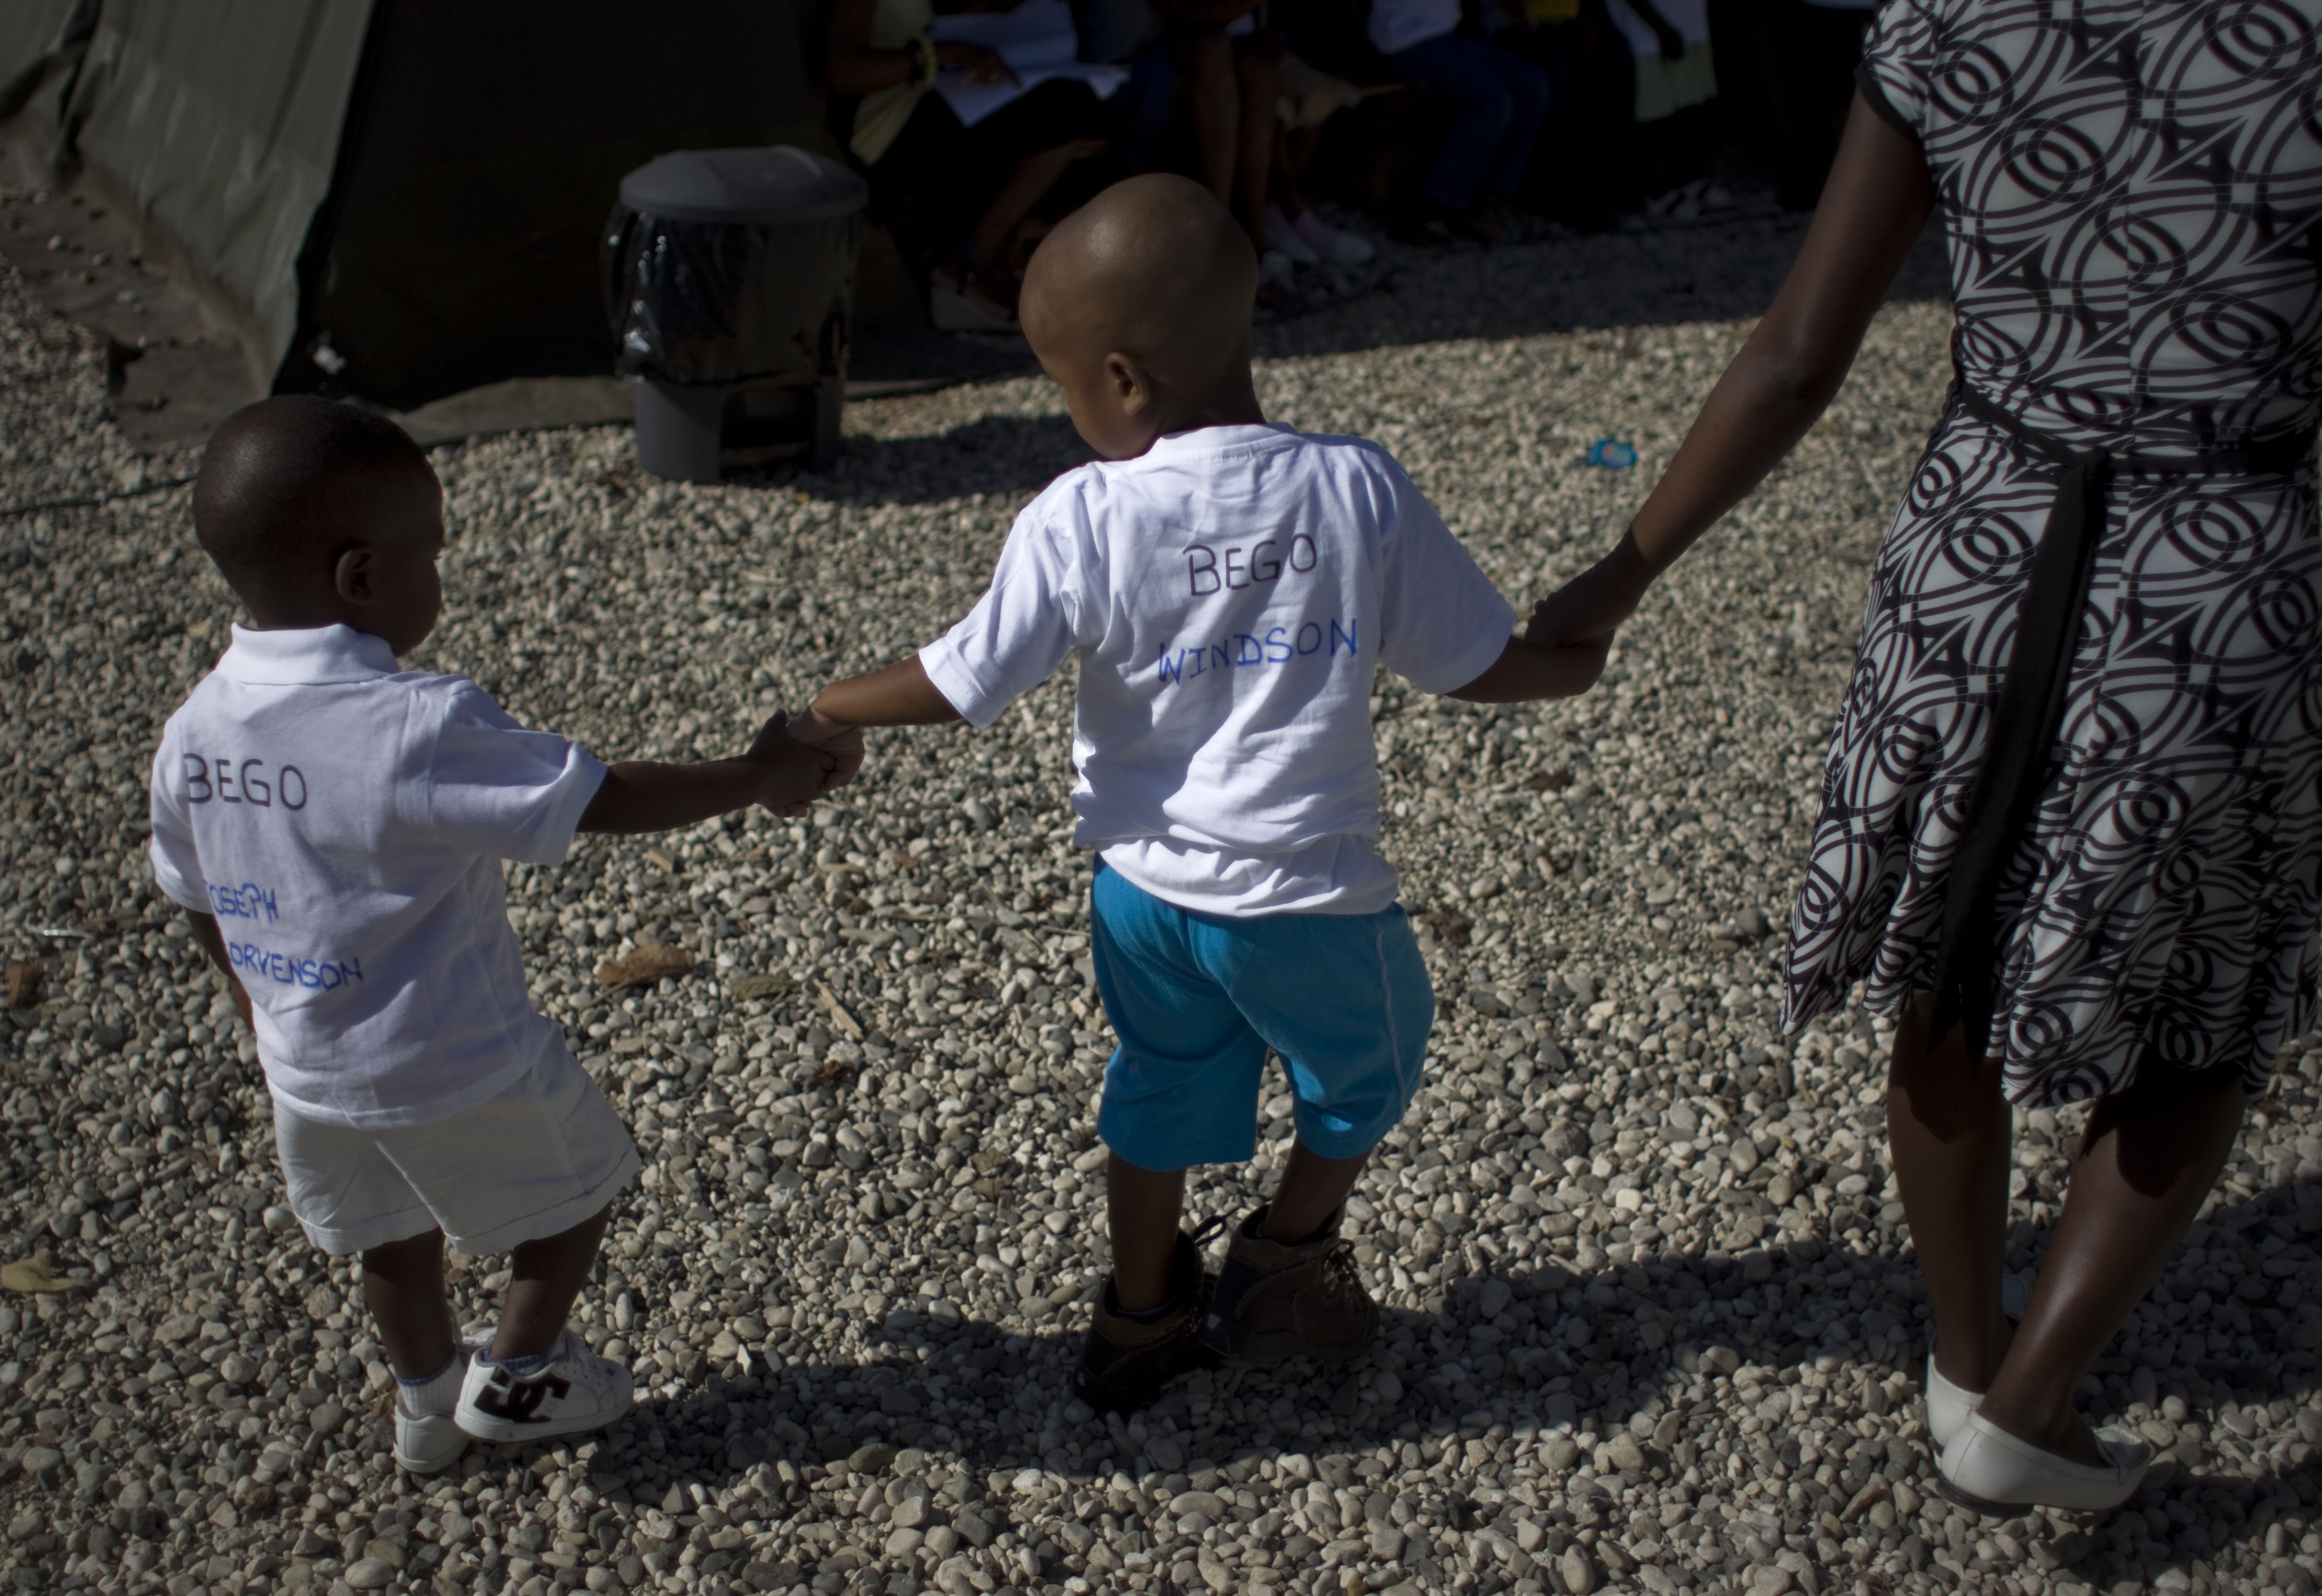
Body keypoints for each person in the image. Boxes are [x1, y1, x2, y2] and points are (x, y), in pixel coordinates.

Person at [1526, 1, 2322, 1515]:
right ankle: (2029, 1400)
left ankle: (1966, 1357)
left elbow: (1790, 355)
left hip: (1978, 548)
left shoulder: (1947, 19)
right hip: (2212, 570)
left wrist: (1618, 575)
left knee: (1942, 955)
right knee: (2196, 1012)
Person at [781, 174, 1606, 1409]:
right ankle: (1282, 1256)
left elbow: (958, 682)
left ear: (1122, 380)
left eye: (1064, 386)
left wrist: (825, 707)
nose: (1070, 417)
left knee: (1160, 1087)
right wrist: (1571, 657)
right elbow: (1470, 664)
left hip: (1145, 900)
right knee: (1369, 1070)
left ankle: (1138, 1313)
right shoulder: (1353, 486)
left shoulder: (1080, 516)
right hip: (1310, 900)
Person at [148, 399, 850, 1473]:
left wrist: (254, 1006)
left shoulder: (193, 731)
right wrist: (756, 776)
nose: (441, 574)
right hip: (454, 1054)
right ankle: (520, 1375)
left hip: (304, 1068)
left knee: (390, 1234)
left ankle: (425, 1408)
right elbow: (592, 797)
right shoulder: (414, 723)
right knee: (578, 1192)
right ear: (360, 578)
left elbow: (193, 893)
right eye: (430, 553)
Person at [826, 0, 1115, 330]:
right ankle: (971, 261)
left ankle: (995, 256)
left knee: (1083, 114)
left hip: (931, 93)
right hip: (881, 128)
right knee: (1069, 111)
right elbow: (843, 73)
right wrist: (946, 55)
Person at [1368, 0, 1551, 241]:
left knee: (1532, 86)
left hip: (1444, 36)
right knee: (1493, 100)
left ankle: (1484, 196)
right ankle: (1429, 204)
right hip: (1405, 38)